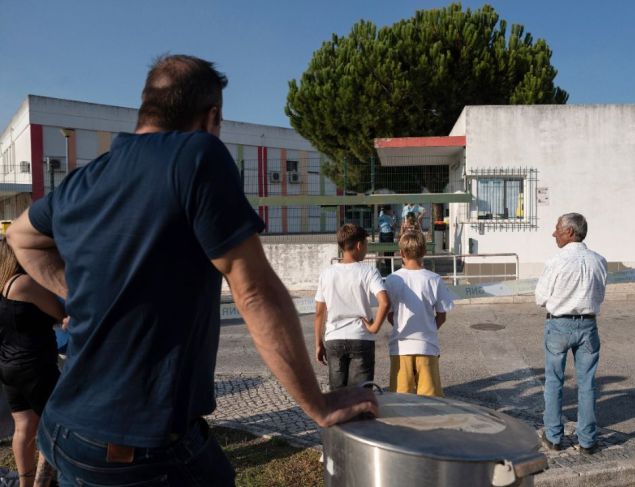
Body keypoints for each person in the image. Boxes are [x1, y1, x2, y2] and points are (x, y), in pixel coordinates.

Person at [6, 55, 377, 486]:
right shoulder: (197, 155)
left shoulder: (83, 180)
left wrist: (79, 293)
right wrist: (318, 404)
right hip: (138, 447)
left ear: (146, 109)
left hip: (64, 430)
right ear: (212, 116)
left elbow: (21, 237)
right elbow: (254, 291)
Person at [535, 213, 607, 455]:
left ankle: (554, 436)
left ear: (569, 232)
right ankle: (587, 441)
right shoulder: (599, 260)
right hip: (588, 325)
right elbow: (599, 295)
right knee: (587, 383)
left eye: (557, 228)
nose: (553, 233)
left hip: (559, 324)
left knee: (554, 381)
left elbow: (540, 298)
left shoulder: (556, 262)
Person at [0, 238, 63, 487]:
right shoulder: (23, 283)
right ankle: (40, 484)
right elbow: (60, 312)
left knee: (23, 426)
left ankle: (26, 485)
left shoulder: (3, 286)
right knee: (53, 424)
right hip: (34, 365)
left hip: (9, 365)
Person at [365, 231, 454, 397]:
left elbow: (390, 315)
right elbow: (442, 315)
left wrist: (400, 324)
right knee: (431, 403)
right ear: (424, 252)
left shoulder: (392, 279)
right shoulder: (434, 279)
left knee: (400, 401)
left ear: (401, 253)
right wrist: (429, 328)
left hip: (400, 347)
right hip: (427, 346)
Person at [314, 224, 390, 389]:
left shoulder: (326, 274)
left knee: (338, 397)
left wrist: (318, 343)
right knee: (361, 397)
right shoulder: (369, 272)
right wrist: (374, 327)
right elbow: (384, 301)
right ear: (359, 245)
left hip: (334, 338)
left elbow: (319, 312)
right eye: (366, 244)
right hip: (361, 338)